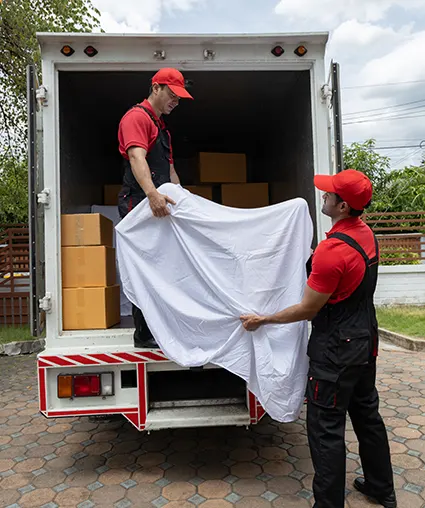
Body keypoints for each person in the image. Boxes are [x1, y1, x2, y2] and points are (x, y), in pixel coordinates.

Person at [240, 169, 396, 508]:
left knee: (326, 428)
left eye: (329, 194)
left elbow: (308, 309)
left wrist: (264, 319)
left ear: (342, 206)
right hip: (364, 342)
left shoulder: (332, 251)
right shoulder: (366, 234)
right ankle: (381, 488)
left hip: (336, 351)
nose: (323, 195)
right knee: (368, 417)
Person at [117, 68, 193, 348]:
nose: (175, 102)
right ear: (156, 88)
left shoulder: (162, 128)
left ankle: (162, 326)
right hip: (140, 202)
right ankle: (144, 333)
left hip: (158, 204)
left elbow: (170, 171)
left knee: (164, 265)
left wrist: (184, 201)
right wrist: (152, 194)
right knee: (145, 266)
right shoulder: (136, 118)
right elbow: (137, 158)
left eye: (179, 98)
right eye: (172, 95)